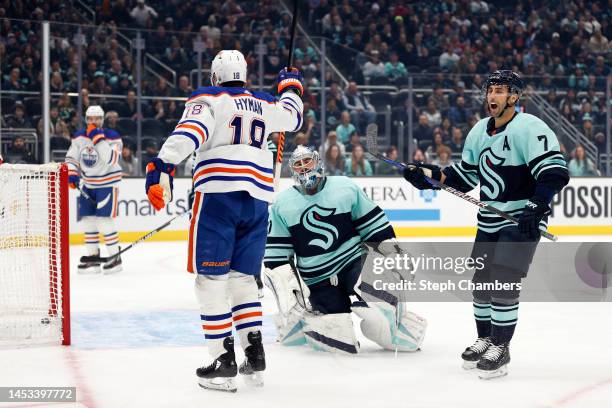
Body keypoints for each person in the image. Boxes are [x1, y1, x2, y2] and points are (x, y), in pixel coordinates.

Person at [144, 50, 304, 392]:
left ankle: (222, 360)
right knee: (244, 279)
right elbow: (292, 118)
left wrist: (162, 165)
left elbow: (191, 132)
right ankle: (254, 351)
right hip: (258, 200)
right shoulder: (264, 103)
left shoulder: (209, 98)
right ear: (244, 75)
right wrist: (290, 86)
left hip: (219, 195)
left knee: (211, 281)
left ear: (216, 76)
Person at [402, 70, 569, 379]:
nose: (492, 96)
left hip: (520, 219)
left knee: (504, 279)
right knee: (481, 281)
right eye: (490, 89)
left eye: (500, 90)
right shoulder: (479, 131)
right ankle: (486, 338)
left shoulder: (531, 127)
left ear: (515, 97)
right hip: (490, 220)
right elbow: (463, 178)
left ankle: (501, 347)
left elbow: (555, 171)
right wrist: (428, 177)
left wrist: (538, 204)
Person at [264, 145, 426, 353]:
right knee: (339, 339)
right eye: (298, 164)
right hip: (317, 279)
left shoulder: (344, 187)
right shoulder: (282, 204)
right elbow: (277, 255)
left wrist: (393, 254)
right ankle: (306, 324)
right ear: (292, 170)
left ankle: (395, 324)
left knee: (380, 303)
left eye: (308, 162)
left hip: (353, 263)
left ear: (318, 162)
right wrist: (289, 289)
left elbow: (374, 226)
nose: (304, 168)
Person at [65, 105, 124, 274]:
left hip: (107, 184)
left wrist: (98, 138)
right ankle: (92, 257)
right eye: (90, 119)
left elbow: (112, 159)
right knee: (88, 221)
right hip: (88, 183)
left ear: (102, 120)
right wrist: (72, 173)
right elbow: (71, 157)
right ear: (86, 119)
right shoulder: (79, 137)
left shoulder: (112, 136)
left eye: (97, 118)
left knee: (104, 221)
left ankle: (115, 257)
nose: (94, 122)